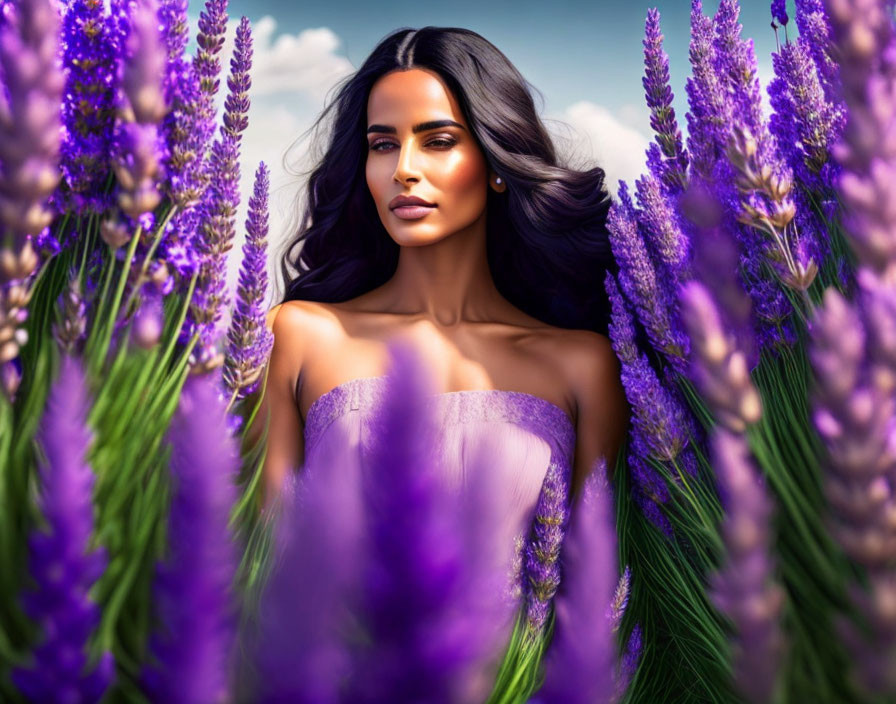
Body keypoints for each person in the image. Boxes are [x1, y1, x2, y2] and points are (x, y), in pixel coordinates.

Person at [247, 24, 630, 699]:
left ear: (498, 162)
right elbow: (262, 564)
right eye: (382, 144)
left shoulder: (579, 365)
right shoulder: (300, 336)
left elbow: (598, 598)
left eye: (439, 141)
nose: (404, 168)